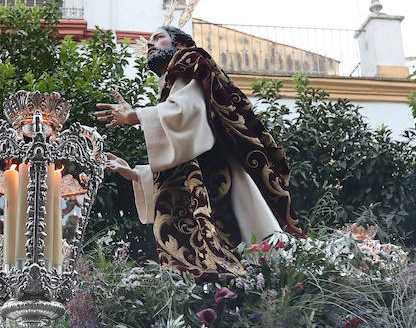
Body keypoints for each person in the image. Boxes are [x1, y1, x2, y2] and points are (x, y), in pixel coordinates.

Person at [98, 25, 302, 278]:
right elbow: (183, 163)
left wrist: (136, 116)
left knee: (241, 258)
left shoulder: (188, 65)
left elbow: (187, 114)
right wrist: (136, 174)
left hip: (219, 179)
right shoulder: (173, 81)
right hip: (209, 178)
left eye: (158, 38)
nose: (150, 44)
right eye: (148, 40)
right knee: (242, 264)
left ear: (181, 45)